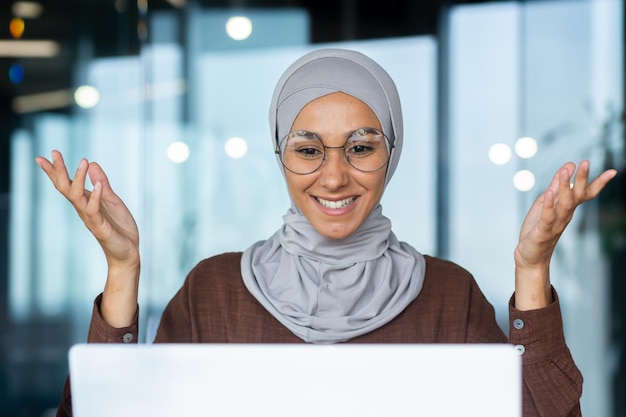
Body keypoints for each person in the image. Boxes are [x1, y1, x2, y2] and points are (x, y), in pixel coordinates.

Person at [36, 49, 616, 417]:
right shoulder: (212, 291)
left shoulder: (448, 294)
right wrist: (122, 269)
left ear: (391, 155)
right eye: (308, 149)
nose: (334, 175)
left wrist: (532, 269)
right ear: (280, 155)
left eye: (361, 148)